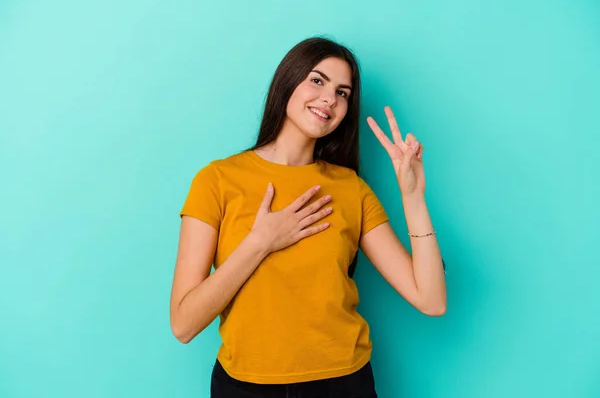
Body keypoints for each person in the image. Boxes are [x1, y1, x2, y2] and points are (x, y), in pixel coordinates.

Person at [169, 36, 447, 398]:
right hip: (245, 387)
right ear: (288, 82)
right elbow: (183, 323)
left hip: (344, 384)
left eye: (343, 92)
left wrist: (412, 197)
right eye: (317, 80)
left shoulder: (351, 189)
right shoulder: (217, 180)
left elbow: (431, 299)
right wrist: (261, 242)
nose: (330, 99)